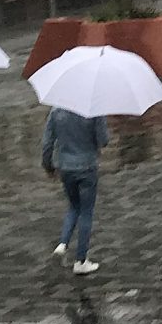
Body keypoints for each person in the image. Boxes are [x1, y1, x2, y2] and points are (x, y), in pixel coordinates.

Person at [41, 104, 110, 274]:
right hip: (87, 166)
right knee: (86, 212)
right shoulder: (94, 109)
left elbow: (47, 142)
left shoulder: (56, 110)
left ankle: (63, 243)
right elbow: (104, 140)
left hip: (65, 167)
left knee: (73, 206)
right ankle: (81, 260)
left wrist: (48, 166)